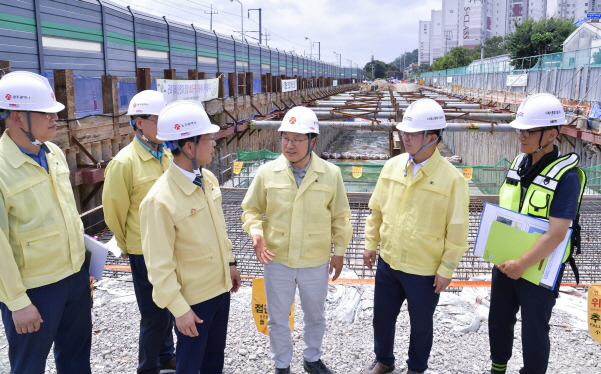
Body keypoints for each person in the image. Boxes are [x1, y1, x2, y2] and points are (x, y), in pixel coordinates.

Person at [241, 106, 352, 374]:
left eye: (297, 139)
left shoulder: (330, 174)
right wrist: (256, 233)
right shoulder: (267, 173)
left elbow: (340, 216)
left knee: (315, 315)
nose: (289, 145)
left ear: (312, 141)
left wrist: (339, 252)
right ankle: (282, 364)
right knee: (278, 317)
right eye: (285, 138)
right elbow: (251, 210)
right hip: (277, 258)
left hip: (315, 259)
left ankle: (312, 358)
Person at [362, 98, 469, 374]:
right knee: (382, 318)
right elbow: (376, 210)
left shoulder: (453, 180)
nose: (404, 137)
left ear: (431, 138)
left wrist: (446, 268)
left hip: (424, 270)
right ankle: (384, 360)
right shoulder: (392, 166)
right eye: (403, 132)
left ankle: (416, 368)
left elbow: (457, 232)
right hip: (389, 261)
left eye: (411, 133)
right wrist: (370, 243)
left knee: (421, 324)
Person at [486, 93, 586, 374]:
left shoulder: (566, 177)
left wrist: (521, 265)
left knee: (535, 328)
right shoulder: (520, 163)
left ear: (551, 133)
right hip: (507, 260)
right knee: (499, 319)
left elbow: (556, 233)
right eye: (520, 130)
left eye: (528, 131)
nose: (521, 136)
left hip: (541, 267)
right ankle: (498, 368)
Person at [0, 71, 92, 373]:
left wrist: (84, 269)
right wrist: (16, 302)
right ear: (17, 117)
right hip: (36, 290)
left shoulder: (52, 153)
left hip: (74, 278)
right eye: (46, 114)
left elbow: (66, 215)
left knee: (77, 359)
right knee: (29, 366)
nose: (56, 119)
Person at [139, 100, 241, 374]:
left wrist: (230, 262)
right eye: (209, 138)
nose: (214, 143)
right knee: (189, 363)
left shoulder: (207, 179)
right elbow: (158, 267)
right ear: (189, 147)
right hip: (193, 300)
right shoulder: (159, 200)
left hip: (219, 289)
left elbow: (219, 228)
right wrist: (179, 309)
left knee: (213, 359)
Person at [102, 90, 176, 374]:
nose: (163, 126)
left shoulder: (168, 154)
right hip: (143, 251)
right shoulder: (124, 163)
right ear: (138, 123)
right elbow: (114, 212)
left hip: (171, 246)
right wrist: (126, 243)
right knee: (153, 316)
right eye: (157, 120)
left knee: (170, 307)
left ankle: (166, 355)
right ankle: (147, 368)